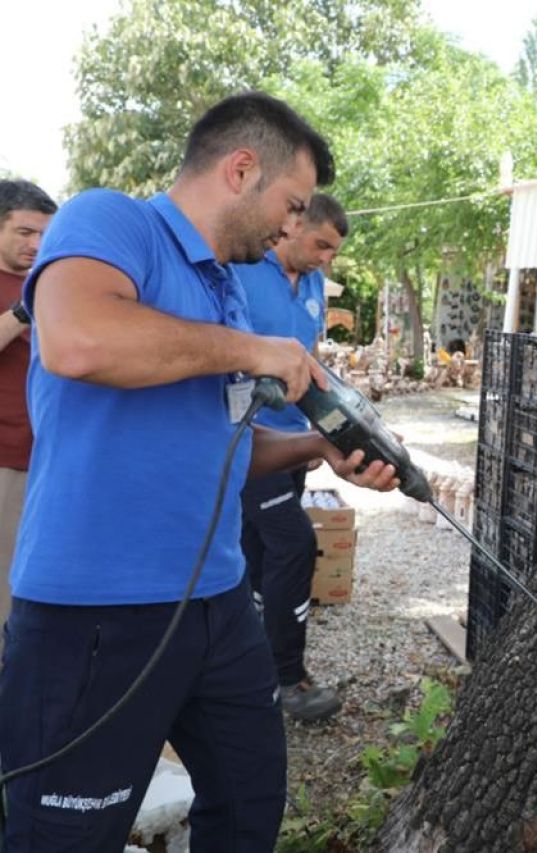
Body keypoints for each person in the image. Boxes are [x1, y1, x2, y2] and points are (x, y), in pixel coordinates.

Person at [0, 92, 399, 851]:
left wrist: (319, 450)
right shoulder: (110, 221)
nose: (294, 225)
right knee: (66, 836)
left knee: (250, 804)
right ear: (240, 168)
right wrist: (252, 352)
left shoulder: (225, 292)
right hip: (95, 614)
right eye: (291, 203)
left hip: (219, 606)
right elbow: (78, 340)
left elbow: (226, 449)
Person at [234, 193, 348, 722]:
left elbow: (311, 358)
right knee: (294, 543)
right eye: (321, 244)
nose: (327, 258)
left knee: (258, 555)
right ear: (295, 225)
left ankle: (247, 666)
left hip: (295, 441)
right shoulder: (244, 268)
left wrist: (331, 420)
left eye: (334, 251)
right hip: (244, 440)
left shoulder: (316, 284)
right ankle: (286, 677)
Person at [0, 180, 57, 649]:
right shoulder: (28, 295)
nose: (36, 244)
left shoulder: (52, 282)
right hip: (6, 459)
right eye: (24, 232)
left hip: (50, 457)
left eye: (44, 234)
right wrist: (23, 310)